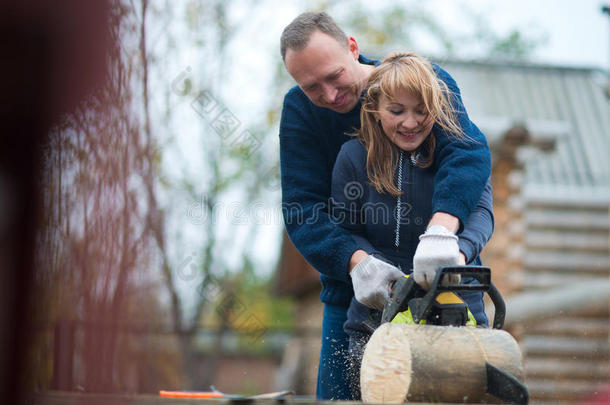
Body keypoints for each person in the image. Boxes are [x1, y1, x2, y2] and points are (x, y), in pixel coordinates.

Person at [279, 12, 492, 400]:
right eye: (311, 87)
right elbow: (302, 211)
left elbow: (467, 154)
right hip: (352, 293)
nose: (328, 95)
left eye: (333, 76)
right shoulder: (301, 114)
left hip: (439, 287)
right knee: (343, 395)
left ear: (353, 48)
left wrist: (443, 233)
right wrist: (356, 263)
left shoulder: (423, 83)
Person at [330, 52, 494, 398]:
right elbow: (346, 228)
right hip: (375, 317)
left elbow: (480, 212)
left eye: (421, 111)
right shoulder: (353, 158)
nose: (410, 123)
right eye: (397, 111)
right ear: (375, 107)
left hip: (457, 309)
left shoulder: (456, 152)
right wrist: (371, 265)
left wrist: (457, 251)